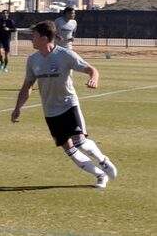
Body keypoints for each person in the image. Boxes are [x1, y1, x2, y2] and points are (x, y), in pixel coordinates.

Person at [11, 20, 117, 188]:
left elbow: (91, 69)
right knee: (69, 149)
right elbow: (27, 86)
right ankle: (99, 175)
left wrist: (93, 78)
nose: (32, 39)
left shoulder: (65, 55)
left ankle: (103, 160)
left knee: (80, 142)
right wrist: (17, 108)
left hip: (68, 105)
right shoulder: (33, 60)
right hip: (50, 112)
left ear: (45, 38)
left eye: (34, 36)